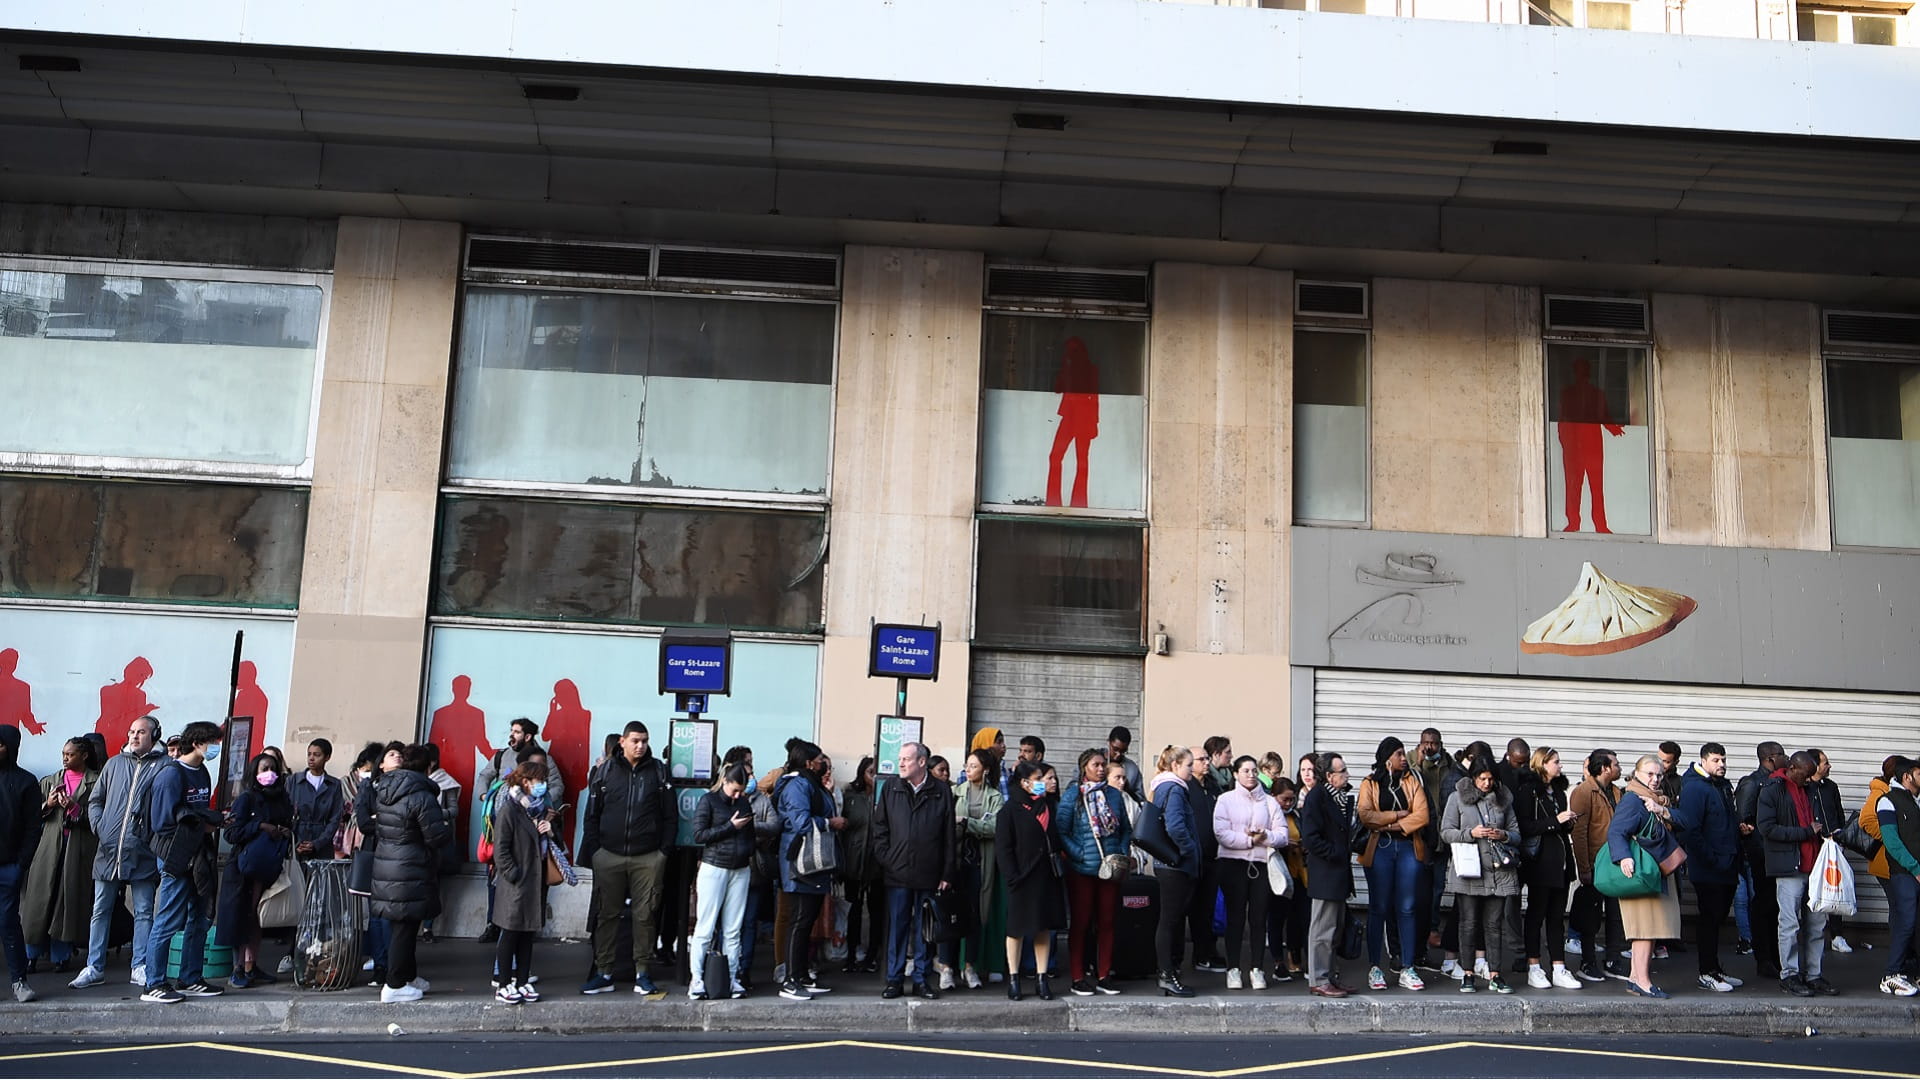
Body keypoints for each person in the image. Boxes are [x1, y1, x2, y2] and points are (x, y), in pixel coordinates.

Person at [580, 721, 675, 996]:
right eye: (635, 740)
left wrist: (663, 852)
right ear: (622, 741)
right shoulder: (605, 771)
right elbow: (592, 813)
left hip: (648, 857)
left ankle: (643, 972)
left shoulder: (658, 770)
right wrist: (596, 850)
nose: (640, 745)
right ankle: (604, 972)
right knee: (607, 915)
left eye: (644, 740)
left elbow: (670, 815)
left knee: (645, 916)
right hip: (609, 854)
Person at [73, 717, 165, 991]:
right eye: (132, 731)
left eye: (141, 732)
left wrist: (151, 836)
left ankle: (140, 965)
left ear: (155, 735)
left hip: (142, 851)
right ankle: (94, 966)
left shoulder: (163, 767)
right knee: (100, 909)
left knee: (144, 911)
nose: (135, 736)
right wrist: (100, 826)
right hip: (108, 850)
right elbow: (96, 799)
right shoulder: (114, 764)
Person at [140, 720, 225, 1004]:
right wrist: (203, 826)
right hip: (176, 856)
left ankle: (190, 977)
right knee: (167, 919)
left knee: (200, 917)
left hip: (198, 854)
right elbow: (163, 822)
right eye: (213, 743)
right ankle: (154, 982)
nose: (216, 748)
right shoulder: (171, 775)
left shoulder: (202, 772)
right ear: (199, 743)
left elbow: (197, 810)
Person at [362, 744, 450, 1004]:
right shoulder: (421, 795)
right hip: (410, 866)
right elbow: (435, 835)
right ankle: (395, 984)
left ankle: (408, 977)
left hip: (389, 864)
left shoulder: (386, 790)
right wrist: (447, 827)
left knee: (406, 926)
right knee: (404, 929)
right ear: (428, 767)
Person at [873, 741, 955, 1000]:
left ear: (921, 762)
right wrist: (887, 858)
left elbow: (949, 836)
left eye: (906, 759)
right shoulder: (891, 787)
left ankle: (921, 979)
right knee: (897, 927)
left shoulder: (941, 791)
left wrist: (947, 872)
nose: (901, 763)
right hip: (897, 872)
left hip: (929, 872)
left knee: (925, 929)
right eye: (900, 758)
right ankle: (894, 980)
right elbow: (880, 828)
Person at [1758, 750, 1839, 997]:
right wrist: (1805, 832)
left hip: (1815, 867)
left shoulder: (1812, 790)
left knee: (1817, 925)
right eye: (1805, 774)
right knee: (1790, 923)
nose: (1809, 778)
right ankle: (1790, 975)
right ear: (1793, 768)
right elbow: (1767, 828)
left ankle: (1813, 974)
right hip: (1789, 867)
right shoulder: (1772, 790)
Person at [1356, 736, 1430, 991]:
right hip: (1380, 849)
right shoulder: (1370, 783)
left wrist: (1391, 825)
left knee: (1407, 907)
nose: (1403, 758)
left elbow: (1422, 816)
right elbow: (1365, 814)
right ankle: (1375, 966)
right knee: (1379, 906)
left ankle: (1407, 967)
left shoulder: (1412, 781)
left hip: (1408, 846)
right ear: (1387, 757)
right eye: (1399, 754)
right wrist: (1398, 815)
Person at [1441, 757, 1520, 994]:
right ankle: (1468, 973)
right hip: (1470, 870)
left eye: (1490, 779)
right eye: (1482, 778)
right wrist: (1470, 833)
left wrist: (1503, 835)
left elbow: (1517, 833)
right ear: (1473, 779)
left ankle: (1495, 974)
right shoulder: (1457, 798)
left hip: (1499, 870)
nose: (1487, 783)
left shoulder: (1504, 799)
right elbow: (1445, 832)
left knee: (1494, 924)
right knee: (1468, 923)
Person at [22, 737, 100, 976]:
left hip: (77, 848)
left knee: (66, 903)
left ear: (84, 755)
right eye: (64, 754)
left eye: (71, 754)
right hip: (48, 848)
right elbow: (31, 816)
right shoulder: (50, 782)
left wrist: (74, 809)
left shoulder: (96, 782)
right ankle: (30, 955)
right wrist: (48, 804)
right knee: (38, 901)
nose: (65, 758)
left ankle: (61, 956)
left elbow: (99, 819)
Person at [1607, 754, 1683, 999]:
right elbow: (1616, 831)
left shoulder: (1655, 800)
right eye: (1649, 774)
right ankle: (1643, 981)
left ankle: (1634, 978)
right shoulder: (1632, 799)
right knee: (1644, 929)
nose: (1655, 779)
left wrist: (1662, 810)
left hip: (1651, 872)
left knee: (1648, 928)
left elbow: (1686, 821)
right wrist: (1623, 857)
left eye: (1658, 774)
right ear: (1637, 774)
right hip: (1641, 872)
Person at [1671, 742, 1745, 993]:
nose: (1721, 765)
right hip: (1709, 868)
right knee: (1709, 920)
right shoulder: (1695, 788)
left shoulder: (1722, 786)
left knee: (1719, 918)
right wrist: (1712, 859)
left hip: (1728, 864)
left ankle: (1715, 969)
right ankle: (1706, 972)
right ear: (1703, 761)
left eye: (1723, 760)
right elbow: (1691, 830)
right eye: (1716, 760)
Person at [216, 752, 294, 988]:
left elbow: (290, 824)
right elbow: (231, 832)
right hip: (244, 868)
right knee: (242, 917)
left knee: (258, 919)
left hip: (269, 868)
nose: (268, 773)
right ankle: (238, 967)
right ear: (254, 773)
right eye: (263, 769)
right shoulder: (246, 799)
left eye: (272, 768)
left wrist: (284, 832)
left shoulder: (282, 799)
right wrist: (260, 826)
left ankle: (252, 965)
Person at [774, 741, 842, 1001]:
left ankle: (801, 975)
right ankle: (790, 979)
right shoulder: (797, 785)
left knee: (808, 919)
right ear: (808, 763)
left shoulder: (811, 784)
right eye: (819, 759)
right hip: (801, 861)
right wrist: (830, 822)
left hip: (815, 862)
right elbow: (800, 822)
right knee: (799, 920)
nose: (823, 763)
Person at [1059, 747, 1130, 996]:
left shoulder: (1114, 795)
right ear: (1084, 768)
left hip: (1110, 867)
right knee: (1080, 922)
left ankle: (1104, 974)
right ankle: (1078, 976)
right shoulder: (1072, 795)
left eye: (1103, 765)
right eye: (1095, 765)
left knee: (1108, 921)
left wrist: (1121, 852)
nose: (1101, 769)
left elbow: (1125, 829)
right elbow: (1062, 830)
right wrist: (1077, 853)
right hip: (1081, 868)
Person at [1213, 754, 1285, 991]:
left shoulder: (1270, 802)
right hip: (1233, 864)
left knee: (1258, 917)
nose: (1251, 775)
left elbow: (1283, 835)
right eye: (1246, 771)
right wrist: (1249, 841)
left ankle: (1257, 968)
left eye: (1254, 771)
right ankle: (1233, 968)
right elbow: (1221, 833)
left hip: (1261, 866)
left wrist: (1265, 837)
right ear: (1236, 774)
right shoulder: (1225, 800)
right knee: (1235, 918)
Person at [997, 759, 1066, 1001]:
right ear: (1025, 783)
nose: (1043, 783)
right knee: (1016, 929)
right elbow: (1003, 848)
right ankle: (1014, 979)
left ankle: (1041, 977)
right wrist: (1012, 876)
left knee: (1043, 927)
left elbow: (1055, 838)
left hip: (1046, 876)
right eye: (1038, 779)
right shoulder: (1010, 810)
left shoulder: (1049, 806)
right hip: (1021, 878)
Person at [1513, 746, 1581, 991]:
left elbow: (1560, 826)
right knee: (1536, 915)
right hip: (1540, 862)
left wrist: (1568, 823)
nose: (1560, 766)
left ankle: (1559, 966)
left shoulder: (1560, 792)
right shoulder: (1528, 791)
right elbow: (1524, 826)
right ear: (1542, 764)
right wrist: (1555, 821)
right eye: (1556, 762)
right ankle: (1534, 966)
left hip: (1561, 861)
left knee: (1556, 917)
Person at [688, 762, 755, 1000]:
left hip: (740, 868)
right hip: (714, 866)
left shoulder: (744, 802)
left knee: (733, 930)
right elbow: (699, 835)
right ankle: (696, 979)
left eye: (741, 790)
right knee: (705, 927)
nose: (738, 795)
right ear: (724, 782)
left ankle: (732, 978)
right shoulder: (709, 801)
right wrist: (730, 826)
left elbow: (751, 834)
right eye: (734, 790)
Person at [489, 760, 550, 1004]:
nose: (543, 786)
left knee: (527, 934)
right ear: (525, 782)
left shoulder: (537, 809)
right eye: (539, 781)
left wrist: (549, 830)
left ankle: (522, 981)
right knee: (511, 933)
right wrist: (513, 873)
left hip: (533, 881)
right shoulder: (510, 809)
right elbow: (500, 849)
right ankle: (504, 983)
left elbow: (545, 844)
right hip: (517, 883)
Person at [1569, 748, 1628, 982]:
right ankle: (1588, 961)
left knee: (1616, 914)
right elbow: (1580, 833)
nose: (1619, 768)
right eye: (1616, 764)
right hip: (1596, 864)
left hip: (1615, 863)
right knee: (1591, 916)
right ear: (1604, 768)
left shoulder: (1615, 791)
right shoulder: (1584, 792)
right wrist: (1584, 868)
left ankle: (1613, 960)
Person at [1299, 752, 1355, 998]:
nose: (1347, 775)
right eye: (1342, 771)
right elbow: (1310, 838)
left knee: (1335, 929)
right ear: (1330, 776)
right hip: (1326, 873)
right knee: (1322, 929)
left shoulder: (1340, 797)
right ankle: (1319, 979)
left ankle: (1330, 976)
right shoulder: (1317, 798)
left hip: (1339, 872)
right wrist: (1336, 852)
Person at [1147, 745, 1200, 997]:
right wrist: (1189, 850)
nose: (1192, 769)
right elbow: (1176, 826)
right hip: (1174, 866)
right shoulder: (1175, 789)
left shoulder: (1162, 786)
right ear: (1176, 765)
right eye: (1189, 765)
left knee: (1170, 920)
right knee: (1169, 921)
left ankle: (1168, 972)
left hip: (1167, 864)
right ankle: (1167, 975)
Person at [949, 748, 1003, 990]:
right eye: (967, 765)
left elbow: (994, 828)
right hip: (956, 862)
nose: (968, 769)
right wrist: (975, 826)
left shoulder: (995, 796)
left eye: (973, 765)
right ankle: (947, 967)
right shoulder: (954, 793)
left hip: (980, 862)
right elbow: (946, 823)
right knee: (949, 913)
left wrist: (967, 823)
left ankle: (970, 966)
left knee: (975, 915)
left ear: (986, 769)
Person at [1412, 728, 1464, 976]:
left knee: (1437, 886)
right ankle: (1420, 935)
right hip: (1422, 835)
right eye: (1425, 743)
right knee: (1420, 887)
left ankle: (1433, 930)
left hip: (1442, 834)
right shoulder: (1413, 763)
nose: (1430, 747)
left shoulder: (1449, 765)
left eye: (1434, 743)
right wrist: (1419, 763)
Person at [0, 723, 46, 1002]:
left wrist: (21, 864)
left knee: (7, 922)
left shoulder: (26, 782)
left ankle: (19, 981)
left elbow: (33, 827)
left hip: (9, 866)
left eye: (1, 745)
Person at [1735, 740, 1787, 980]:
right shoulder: (1752, 782)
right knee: (1762, 904)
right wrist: (1752, 848)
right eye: (1781, 755)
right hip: (1760, 853)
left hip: (1777, 853)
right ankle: (1764, 958)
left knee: (1775, 906)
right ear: (1769, 758)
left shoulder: (1779, 781)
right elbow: (1744, 820)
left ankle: (1776, 956)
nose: (1785, 759)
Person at [1871, 757, 1920, 997]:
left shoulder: (1915, 801)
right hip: (1904, 874)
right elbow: (1891, 842)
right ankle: (1891, 975)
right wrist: (1915, 868)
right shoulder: (1887, 802)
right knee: (1906, 921)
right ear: (1907, 777)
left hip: (1916, 873)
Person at [839, 756, 884, 975]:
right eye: (869, 772)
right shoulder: (851, 795)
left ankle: (872, 955)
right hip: (854, 860)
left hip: (877, 862)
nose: (873, 776)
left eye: (876, 772)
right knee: (853, 909)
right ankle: (850, 954)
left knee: (877, 911)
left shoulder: (885, 796)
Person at [1182, 744, 1224, 978]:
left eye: (1207, 758)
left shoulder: (1213, 786)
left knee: (1209, 908)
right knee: (1191, 908)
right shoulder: (1185, 787)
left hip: (1213, 856)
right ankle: (1194, 955)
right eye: (1201, 759)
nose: (1206, 763)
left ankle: (1207, 952)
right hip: (1191, 857)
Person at [1808, 749, 1850, 954]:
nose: (1829, 766)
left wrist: (1841, 836)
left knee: (1835, 887)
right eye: (1825, 762)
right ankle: (1811, 936)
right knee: (1811, 889)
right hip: (1812, 846)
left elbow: (1839, 813)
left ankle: (1837, 935)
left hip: (1833, 845)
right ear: (1814, 765)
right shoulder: (1805, 787)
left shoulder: (1830, 787)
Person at [1270, 777, 1310, 981]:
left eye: (1291, 800)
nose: (1287, 804)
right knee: (1276, 918)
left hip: (1298, 873)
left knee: (1300, 918)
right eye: (1284, 800)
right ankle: (1278, 962)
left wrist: (1303, 845)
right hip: (1277, 874)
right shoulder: (1268, 814)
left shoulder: (1296, 815)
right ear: (1273, 797)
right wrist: (1284, 844)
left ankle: (1298, 958)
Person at [289, 738, 344, 861]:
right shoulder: (294, 781)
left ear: (327, 757)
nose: (311, 758)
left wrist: (318, 843)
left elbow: (335, 819)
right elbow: (285, 813)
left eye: (317, 755)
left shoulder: (334, 785)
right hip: (296, 839)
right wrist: (296, 842)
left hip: (322, 842)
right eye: (309, 754)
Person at [1108, 726, 1143, 799]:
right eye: (1115, 749)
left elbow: (1140, 797)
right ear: (1108, 742)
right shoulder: (1096, 762)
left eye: (1123, 751)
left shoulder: (1132, 769)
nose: (1118, 754)